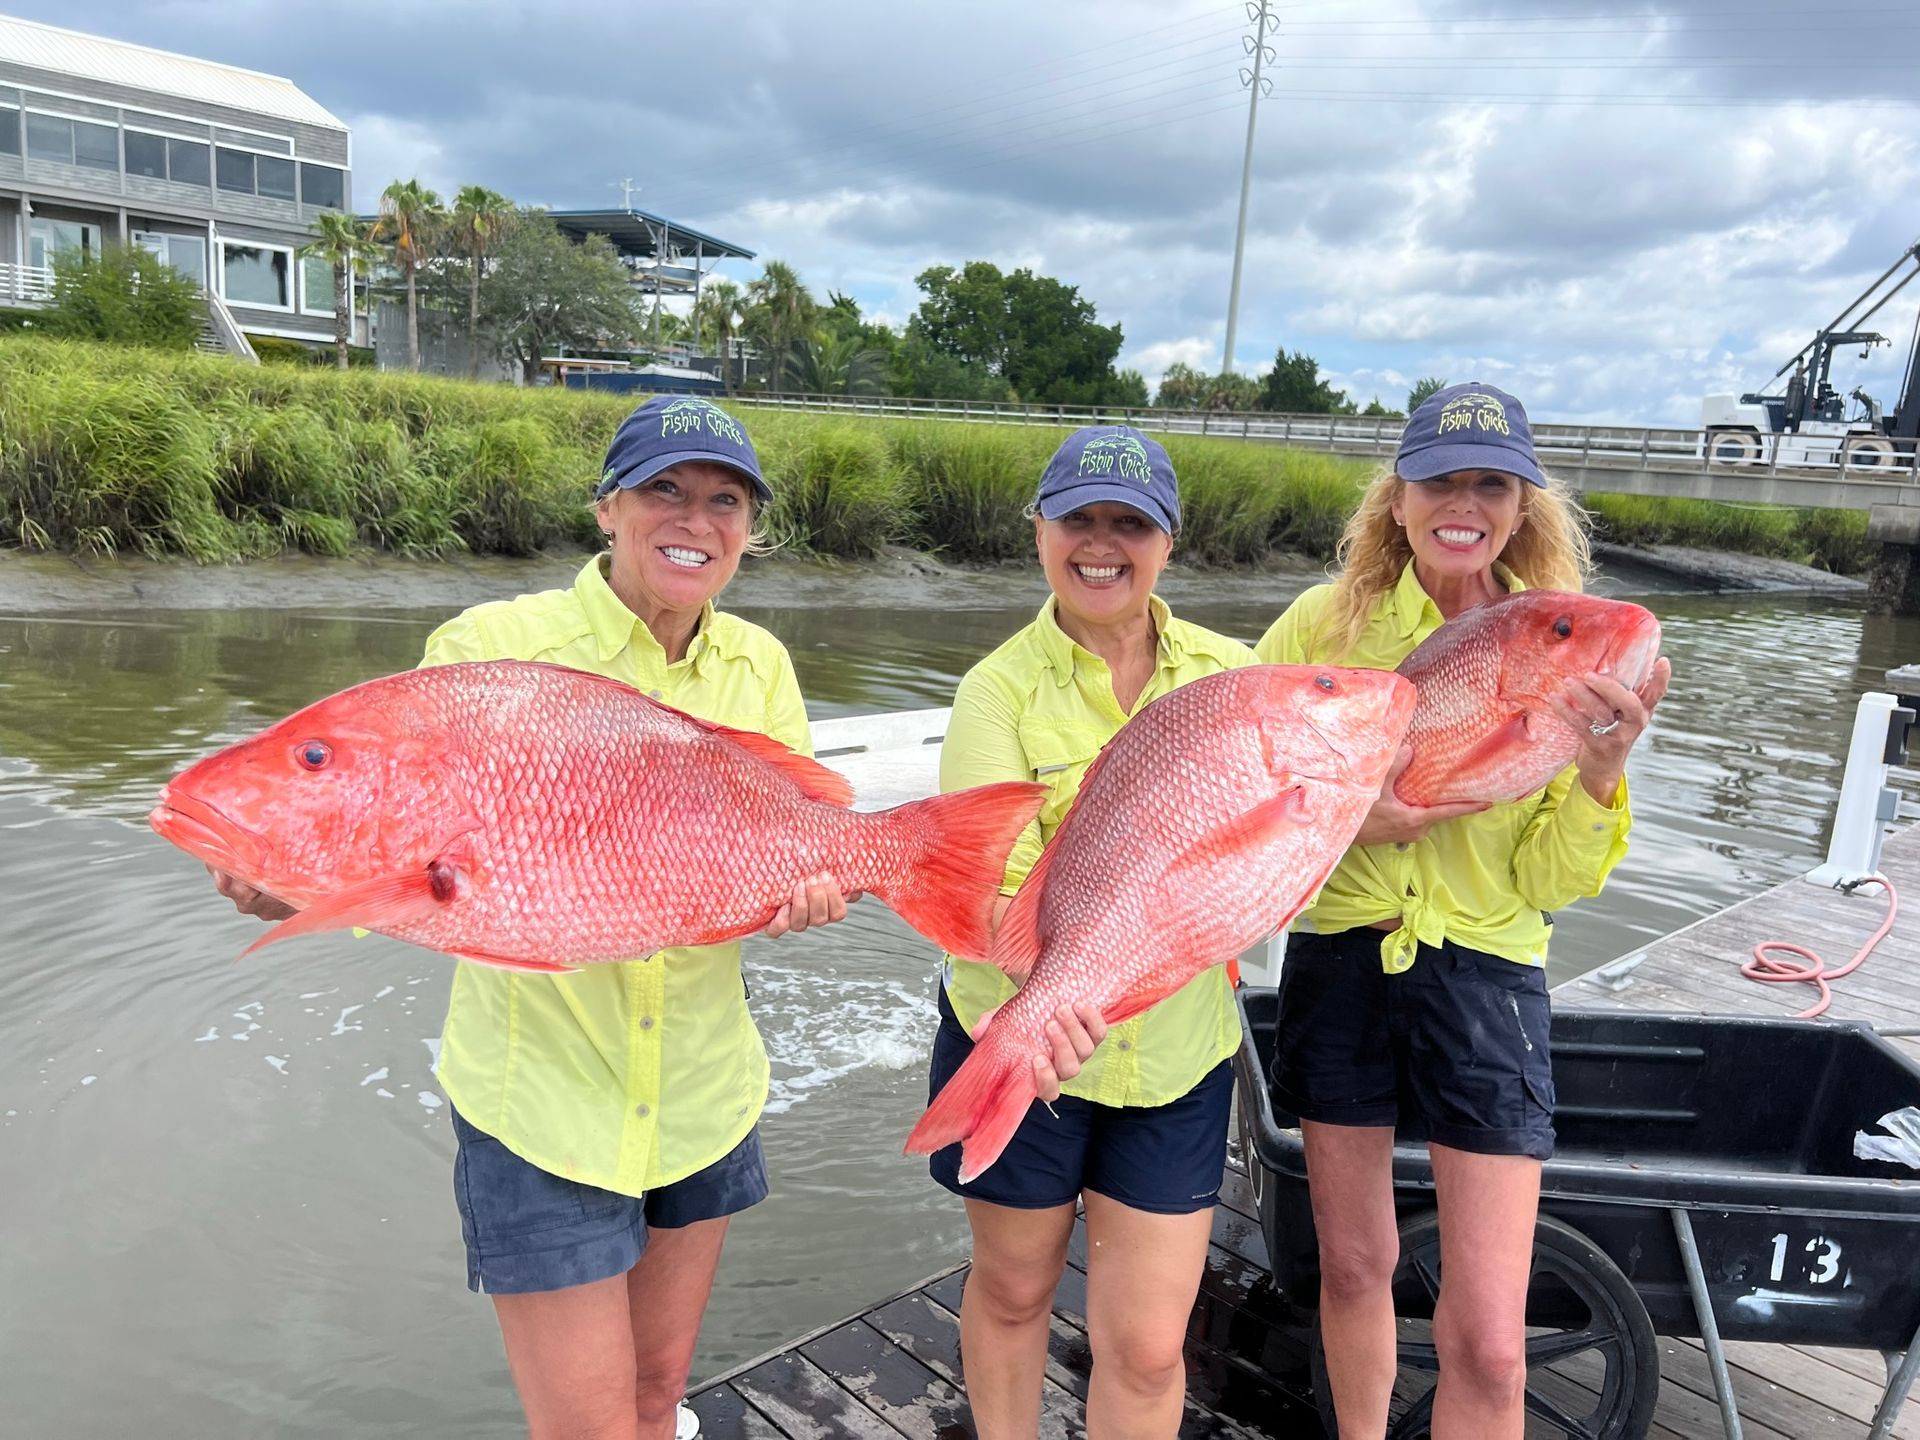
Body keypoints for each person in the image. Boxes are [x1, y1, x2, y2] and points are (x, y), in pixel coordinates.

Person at [209, 395, 857, 1440]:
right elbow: (419, 855)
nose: (694, 518)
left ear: (748, 532)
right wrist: (304, 883)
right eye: (664, 489)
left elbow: (786, 830)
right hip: (542, 1116)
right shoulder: (491, 647)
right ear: (606, 507)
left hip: (703, 1094)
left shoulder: (761, 668)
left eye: (724, 501)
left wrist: (801, 892)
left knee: (655, 1401)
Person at [1254, 383, 1671, 1438]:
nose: (1464, 501)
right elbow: (1251, 791)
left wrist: (1601, 773)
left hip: (1486, 978)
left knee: (1488, 1334)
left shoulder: (1564, 640)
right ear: (1397, 499)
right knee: (1354, 1267)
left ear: (1521, 505)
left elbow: (1549, 884)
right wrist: (1360, 826)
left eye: (1492, 483)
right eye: (1440, 478)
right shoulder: (1320, 623)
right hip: (1344, 960)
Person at [929, 425, 1258, 1439]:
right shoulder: (997, 690)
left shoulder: (1230, 676)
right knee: (1017, 1291)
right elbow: (984, 892)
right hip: (1019, 1041)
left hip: (1174, 1060)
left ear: (1166, 541)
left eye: (1131, 522)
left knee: (1153, 1342)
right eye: (1079, 518)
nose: (1102, 543)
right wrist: (1062, 996)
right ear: (1040, 529)